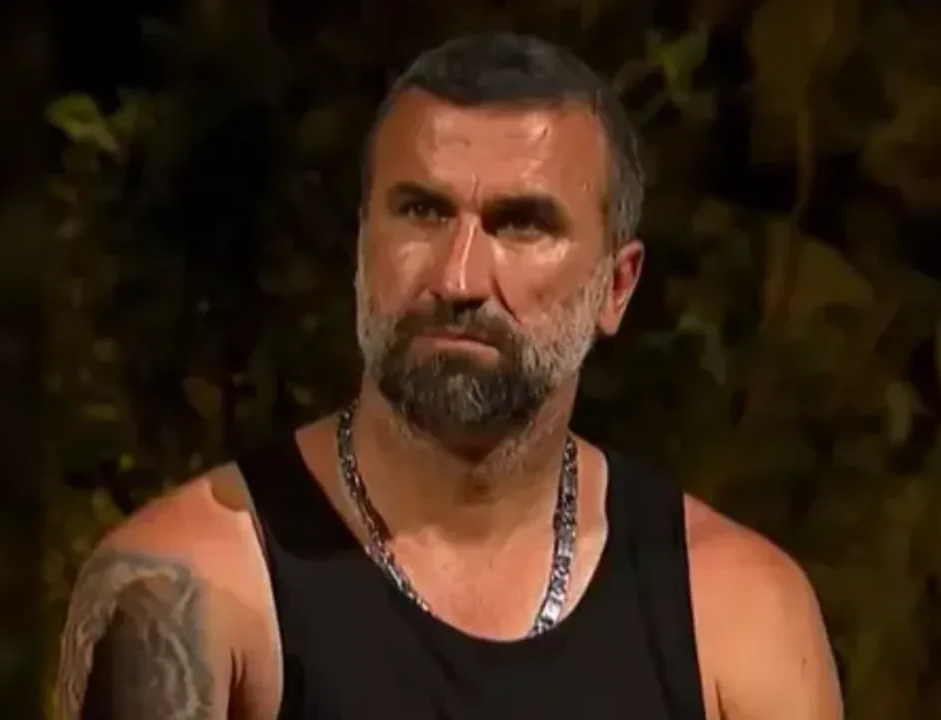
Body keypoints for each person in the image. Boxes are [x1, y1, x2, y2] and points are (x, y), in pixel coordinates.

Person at [54, 31, 843, 720]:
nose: (458, 277)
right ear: (362, 245)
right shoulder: (189, 589)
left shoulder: (737, 613)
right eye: (422, 212)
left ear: (616, 286)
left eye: (521, 223)